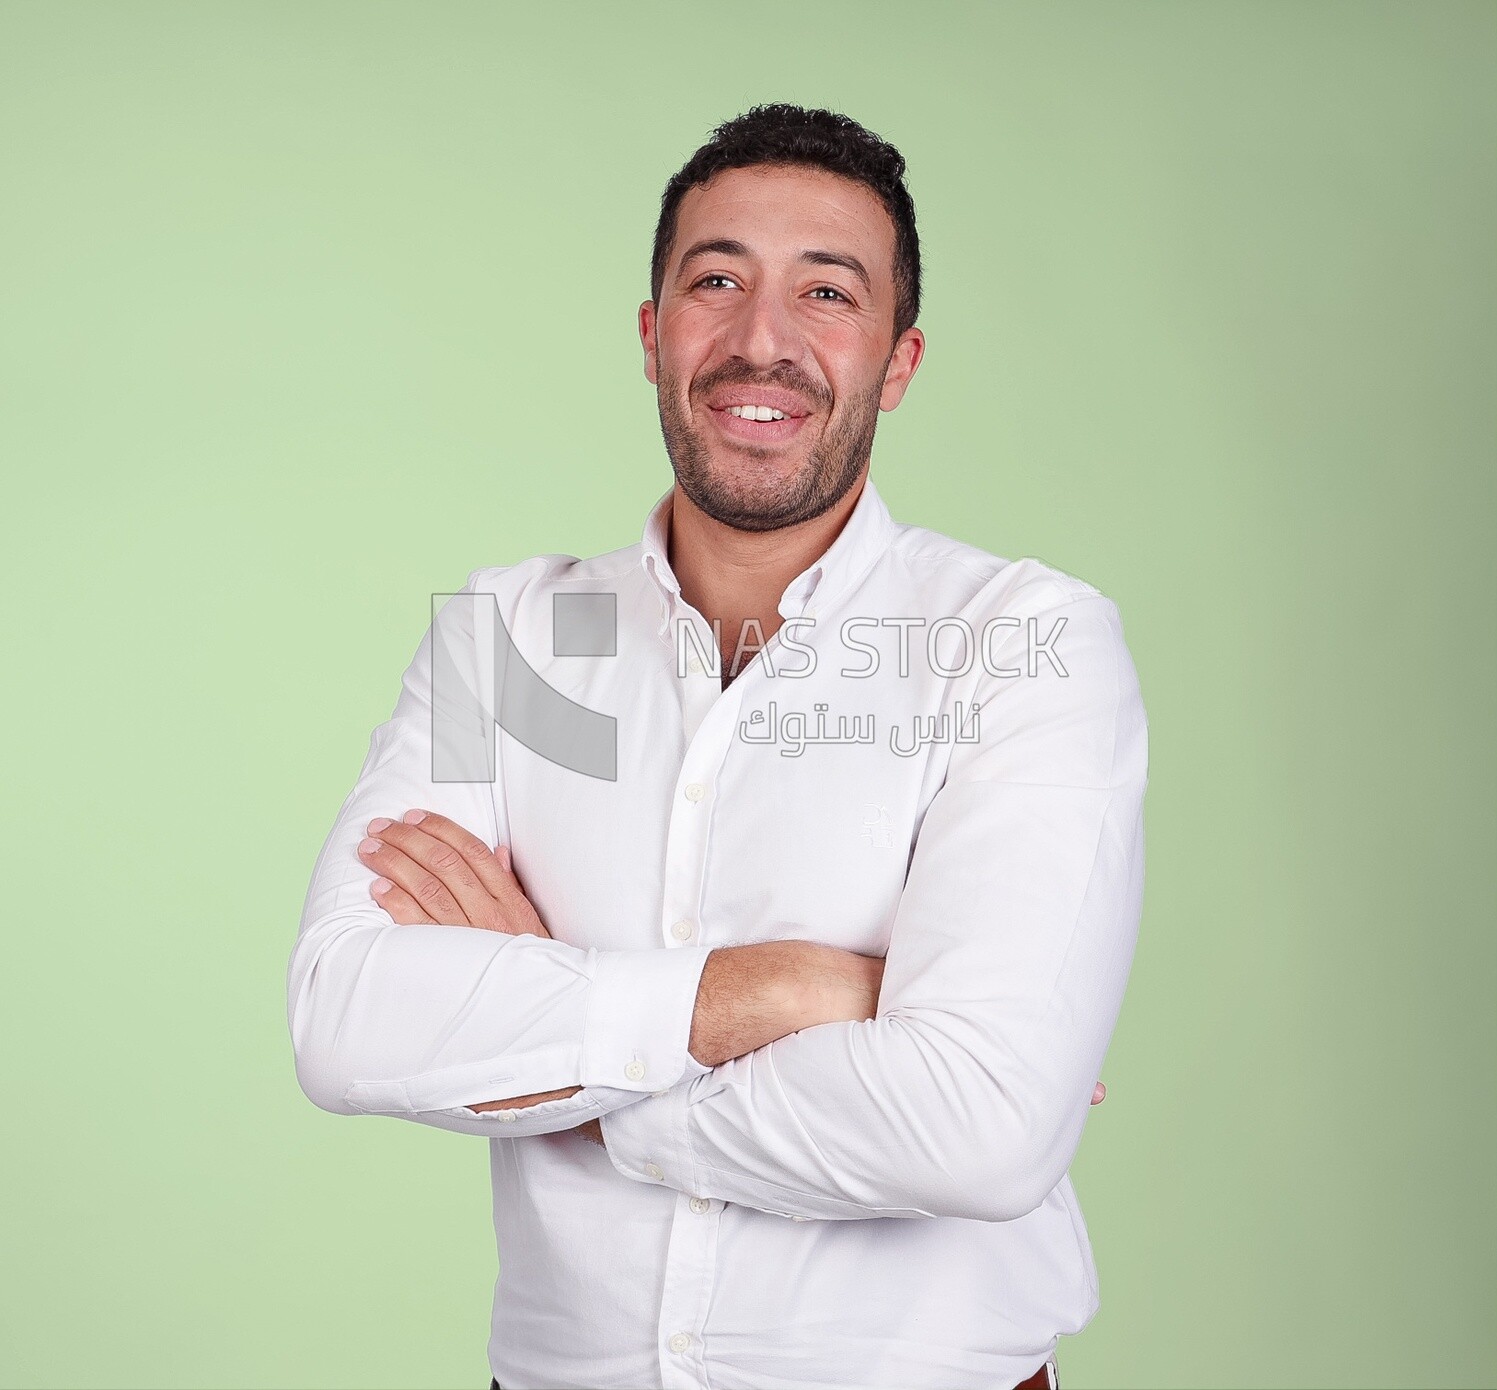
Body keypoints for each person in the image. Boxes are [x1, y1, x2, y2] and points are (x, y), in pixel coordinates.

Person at [287, 103, 1147, 1390]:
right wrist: (788, 989)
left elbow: (981, 1130)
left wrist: (576, 1043)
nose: (764, 339)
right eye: (718, 280)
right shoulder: (510, 637)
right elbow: (347, 1019)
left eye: (827, 293)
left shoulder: (1022, 642)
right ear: (651, 334)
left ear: (898, 361)